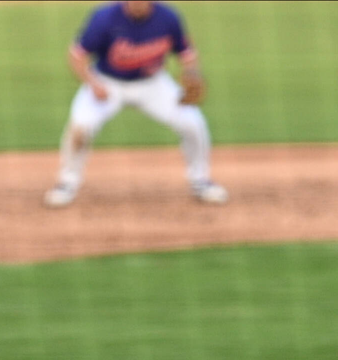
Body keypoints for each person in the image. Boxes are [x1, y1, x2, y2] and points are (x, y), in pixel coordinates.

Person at [42, 0, 228, 207]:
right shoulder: (104, 17)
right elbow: (76, 56)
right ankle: (67, 183)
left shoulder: (168, 17)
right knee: (80, 126)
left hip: (153, 84)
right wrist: (93, 84)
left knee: (193, 122)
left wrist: (192, 73)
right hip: (107, 83)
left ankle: (200, 181)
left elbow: (187, 54)